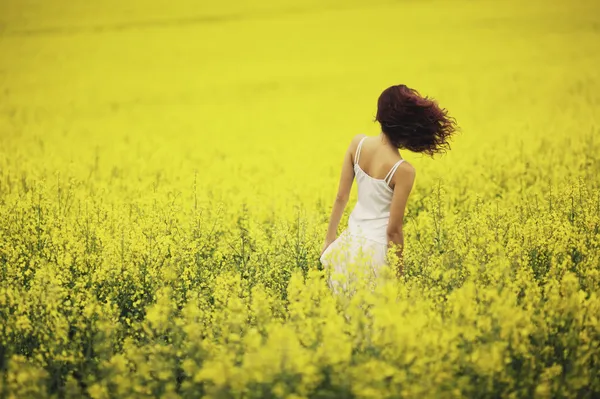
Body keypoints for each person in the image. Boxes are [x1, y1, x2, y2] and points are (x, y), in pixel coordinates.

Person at [320, 84, 457, 290]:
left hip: (347, 247)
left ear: (380, 115)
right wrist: (398, 276)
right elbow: (393, 230)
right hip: (376, 252)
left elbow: (341, 197)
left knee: (346, 317)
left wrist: (329, 240)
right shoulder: (403, 171)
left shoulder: (357, 144)